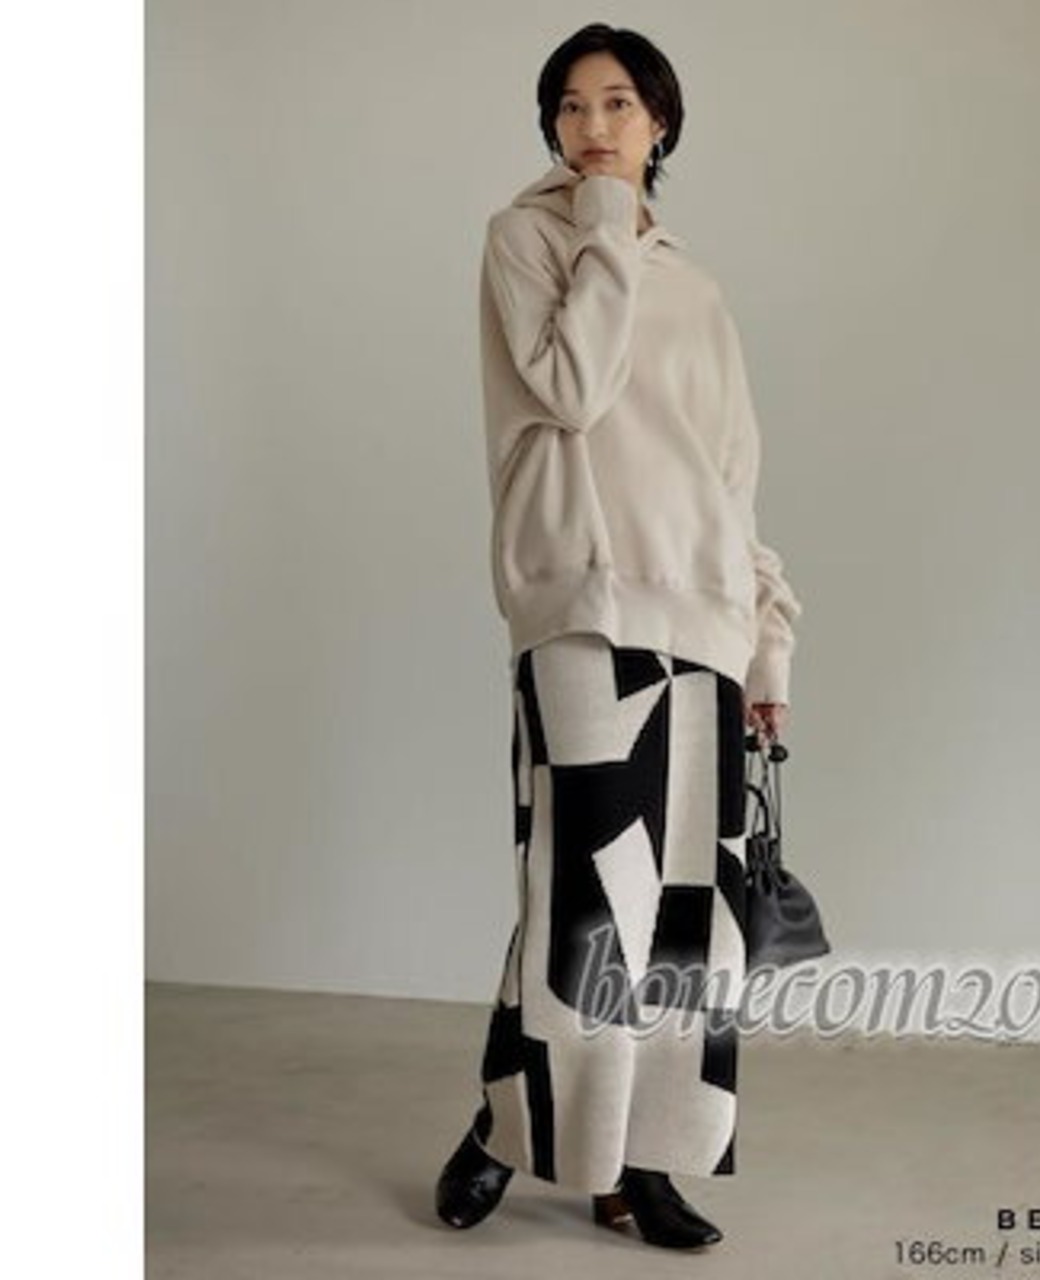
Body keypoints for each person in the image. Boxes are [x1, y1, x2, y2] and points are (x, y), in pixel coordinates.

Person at [434, 22, 802, 1250]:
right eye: (571, 106)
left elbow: (729, 479)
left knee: (682, 924)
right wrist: (600, 221)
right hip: (583, 604)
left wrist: (766, 641)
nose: (593, 127)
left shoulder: (695, 288)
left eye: (619, 105)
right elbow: (572, 387)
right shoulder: (526, 239)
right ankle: (514, 1127)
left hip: (703, 618)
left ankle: (636, 1161)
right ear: (551, 125)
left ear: (661, 122)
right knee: (586, 900)